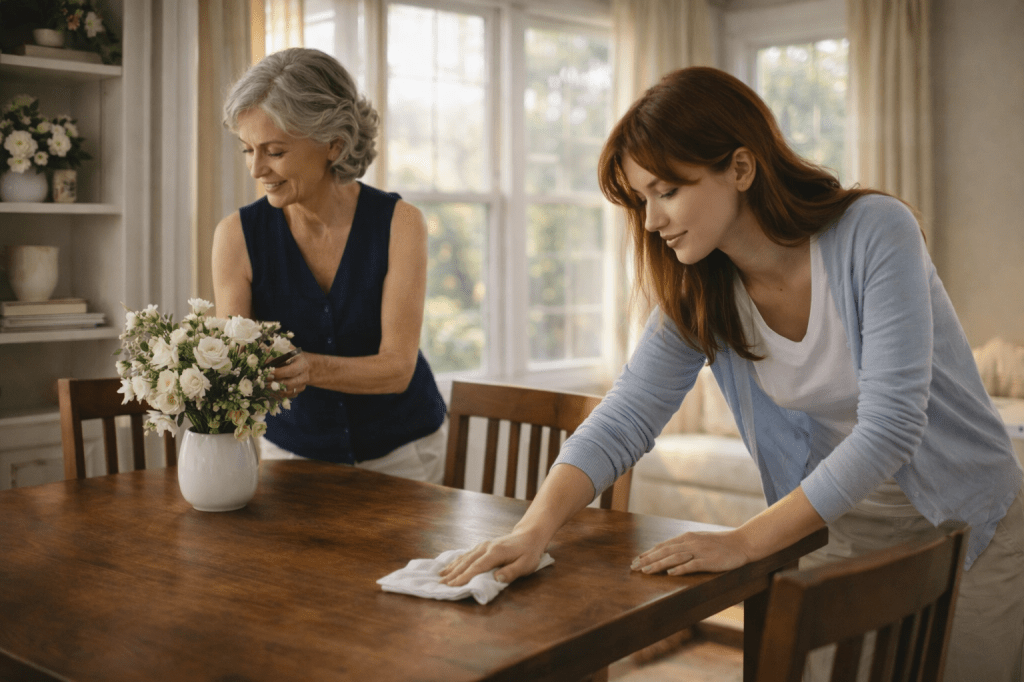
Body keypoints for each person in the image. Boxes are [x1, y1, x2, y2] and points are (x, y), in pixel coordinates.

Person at [440, 67, 1024, 681]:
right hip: (844, 525)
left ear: (741, 169)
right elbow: (626, 414)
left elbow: (892, 426)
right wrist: (534, 529)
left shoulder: (874, 232)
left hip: (969, 521)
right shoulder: (701, 288)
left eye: (667, 190)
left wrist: (744, 541)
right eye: (641, 199)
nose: (651, 220)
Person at [212, 48, 448, 483]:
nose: (257, 169)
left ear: (333, 144)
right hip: (293, 452)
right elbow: (236, 369)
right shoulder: (236, 236)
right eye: (248, 150)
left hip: (405, 451)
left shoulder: (401, 223)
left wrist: (309, 368)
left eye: (275, 151)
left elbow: (397, 369)